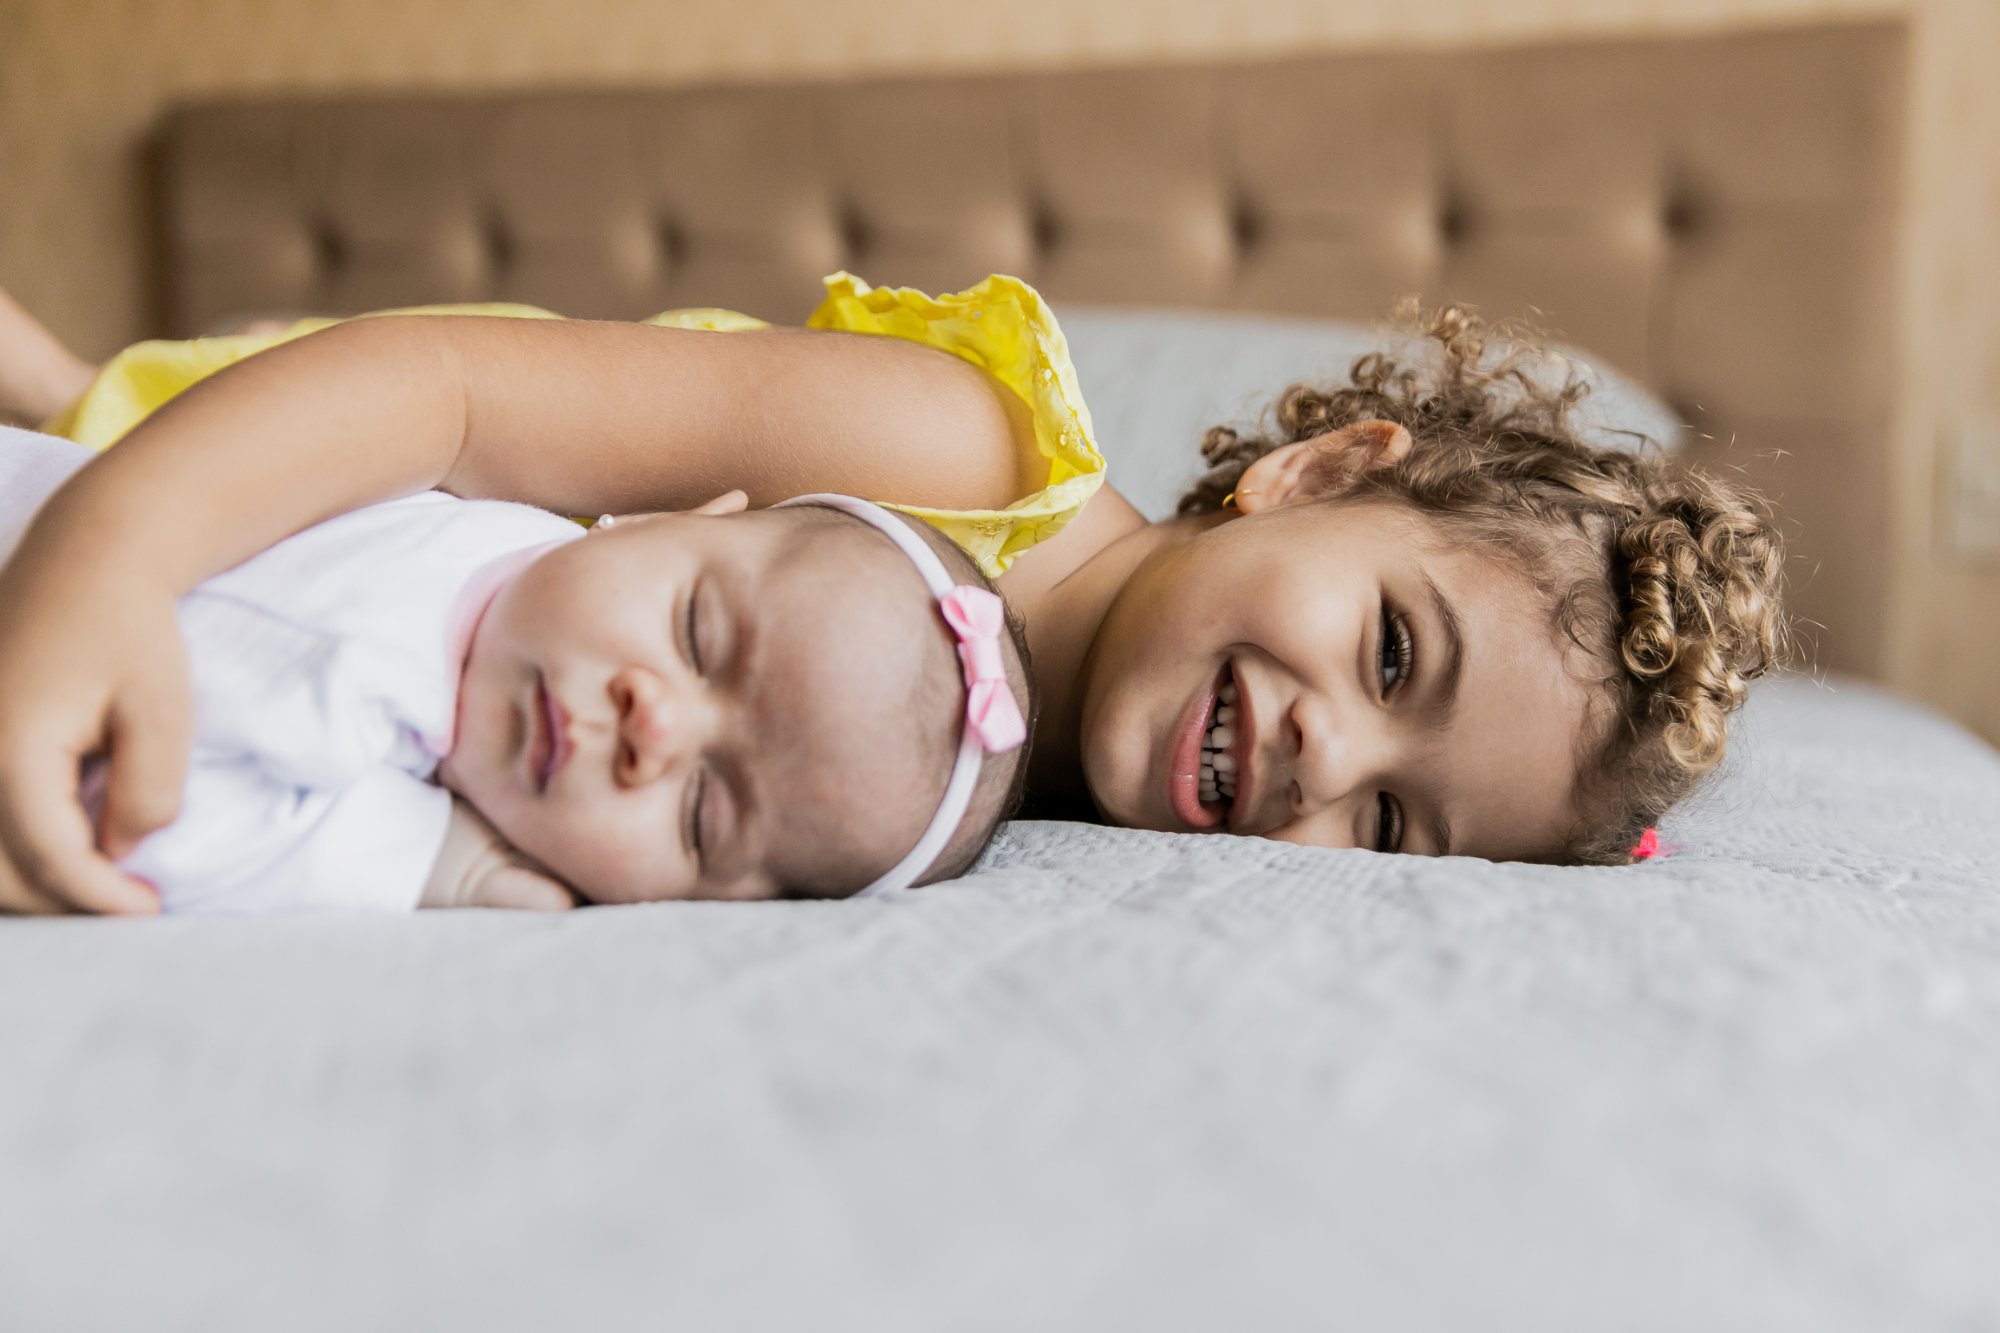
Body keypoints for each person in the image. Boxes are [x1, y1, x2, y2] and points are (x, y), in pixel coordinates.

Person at [0, 273, 1783, 915]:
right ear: (1314, 474)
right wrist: (111, 561)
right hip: (312, 471)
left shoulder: (1078, 818)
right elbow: (443, 397)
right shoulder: (957, 448)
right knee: (82, 432)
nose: (1327, 755)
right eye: (1395, 647)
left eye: (1396, 828)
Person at [0, 422, 1032, 914]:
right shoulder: (379, 624)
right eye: (696, 635)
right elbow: (126, 813)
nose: (654, 730)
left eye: (702, 816)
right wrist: (431, 864)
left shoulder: (509, 571)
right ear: (669, 517)